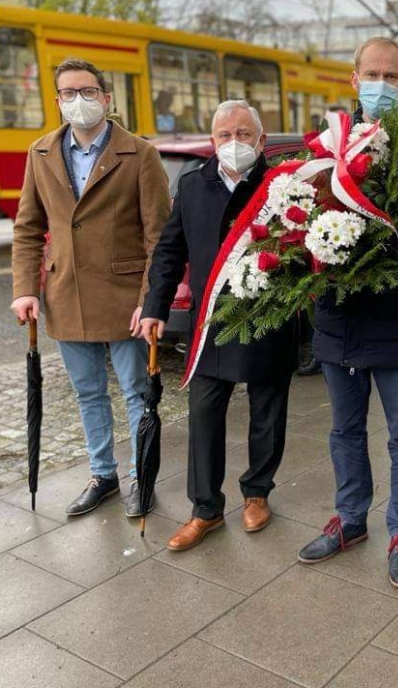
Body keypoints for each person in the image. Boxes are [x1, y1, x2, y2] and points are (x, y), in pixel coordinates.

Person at [297, 37, 398, 588]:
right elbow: (303, 219)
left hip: (396, 322)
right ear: (354, 79)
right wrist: (326, 254)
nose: (381, 84)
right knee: (344, 431)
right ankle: (350, 520)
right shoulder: (329, 145)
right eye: (372, 74)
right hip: (338, 320)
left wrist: (370, 260)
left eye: (392, 76)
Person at [11, 58, 170, 517]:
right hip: (66, 295)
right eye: (68, 93)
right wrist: (25, 289)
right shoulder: (41, 152)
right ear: (57, 100)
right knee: (88, 393)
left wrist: (149, 299)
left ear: (105, 97)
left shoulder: (139, 154)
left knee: (137, 392)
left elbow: (158, 237)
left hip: (125, 299)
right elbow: (27, 228)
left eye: (87, 91)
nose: (78, 100)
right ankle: (103, 474)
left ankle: (142, 476)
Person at [139, 100, 297, 551]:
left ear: (261, 141)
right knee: (204, 415)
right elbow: (170, 252)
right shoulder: (192, 186)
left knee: (268, 414)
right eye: (225, 135)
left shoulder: (282, 185)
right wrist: (155, 306)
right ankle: (205, 508)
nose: (234, 143)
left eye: (244, 134)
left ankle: (257, 493)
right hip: (211, 324)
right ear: (213, 141)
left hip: (268, 320)